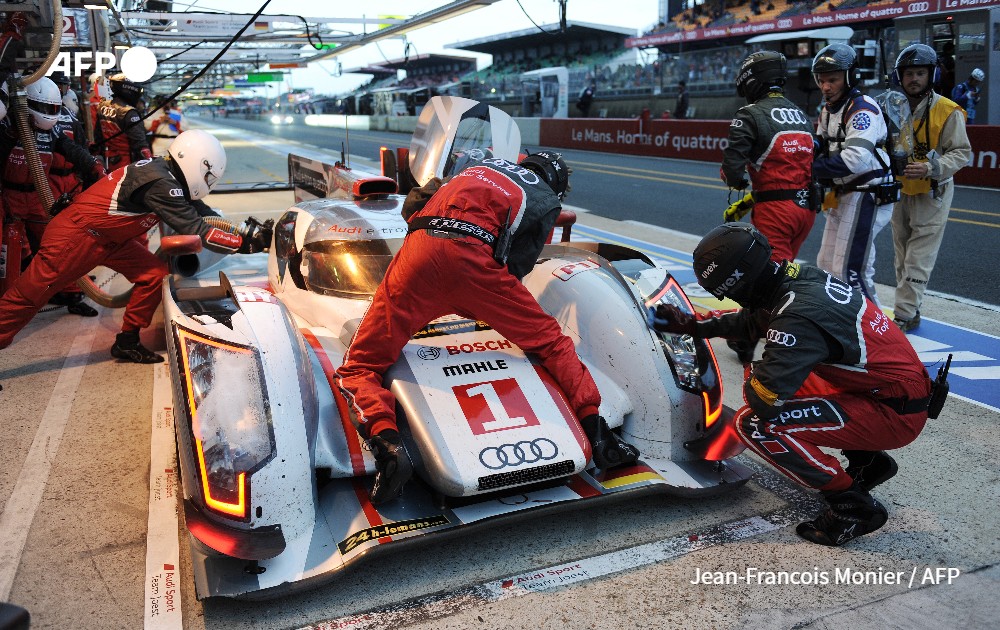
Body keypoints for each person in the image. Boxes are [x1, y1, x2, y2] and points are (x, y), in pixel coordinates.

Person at [336, 150, 640, 504]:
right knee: (552, 343)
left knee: (360, 365)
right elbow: (518, 266)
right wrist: (492, 305)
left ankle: (387, 443)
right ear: (556, 185)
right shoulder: (544, 198)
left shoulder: (475, 166)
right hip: (473, 263)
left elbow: (412, 206)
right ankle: (597, 432)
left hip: (418, 255)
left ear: (524, 163)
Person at [648, 224, 933, 546]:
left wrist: (753, 372)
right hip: (889, 390)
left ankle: (852, 506)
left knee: (755, 424)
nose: (730, 298)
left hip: (894, 414)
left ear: (740, 283)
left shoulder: (796, 318)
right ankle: (868, 462)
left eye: (728, 292)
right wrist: (690, 324)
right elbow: (754, 320)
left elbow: (764, 401)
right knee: (796, 376)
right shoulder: (798, 279)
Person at [0, 130, 272, 364]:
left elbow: (202, 212)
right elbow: (198, 229)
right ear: (197, 164)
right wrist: (246, 244)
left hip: (108, 239)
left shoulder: (165, 173)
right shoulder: (162, 183)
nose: (208, 183)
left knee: (153, 275)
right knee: (27, 298)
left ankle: (127, 341)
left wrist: (240, 231)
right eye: (208, 176)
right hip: (77, 237)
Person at [720, 51, 817, 364]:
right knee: (779, 274)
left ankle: (769, 341)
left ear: (752, 80)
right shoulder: (801, 114)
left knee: (768, 281)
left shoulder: (749, 114)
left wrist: (737, 181)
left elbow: (732, 170)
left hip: (776, 211)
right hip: (806, 210)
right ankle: (748, 335)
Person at [0, 77, 105, 318]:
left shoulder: (54, 130)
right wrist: (10, 135)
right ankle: (9, 306)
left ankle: (72, 294)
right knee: (9, 250)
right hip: (8, 199)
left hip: (39, 195)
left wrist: (93, 166)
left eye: (53, 109)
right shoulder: (7, 124)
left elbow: (72, 149)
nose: (49, 114)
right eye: (44, 108)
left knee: (61, 244)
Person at [891, 44, 972, 332]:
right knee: (901, 255)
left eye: (920, 73)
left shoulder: (948, 110)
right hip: (900, 189)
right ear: (899, 77)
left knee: (918, 256)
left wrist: (930, 167)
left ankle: (903, 313)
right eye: (909, 73)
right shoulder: (891, 108)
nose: (914, 79)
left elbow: (961, 153)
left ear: (931, 75)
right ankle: (911, 309)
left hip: (932, 190)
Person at [811, 43, 894, 307]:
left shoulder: (862, 109)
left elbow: (855, 160)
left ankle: (874, 328)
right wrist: (801, 151)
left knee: (851, 269)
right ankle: (839, 320)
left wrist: (807, 170)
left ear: (849, 77)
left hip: (867, 193)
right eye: (821, 80)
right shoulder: (828, 109)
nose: (826, 86)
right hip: (842, 193)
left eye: (832, 80)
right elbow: (820, 144)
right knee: (826, 265)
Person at [94, 72, 152, 170]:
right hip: (127, 164)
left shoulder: (102, 106)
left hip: (108, 161)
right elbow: (140, 145)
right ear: (129, 90)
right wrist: (150, 164)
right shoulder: (130, 112)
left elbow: (98, 136)